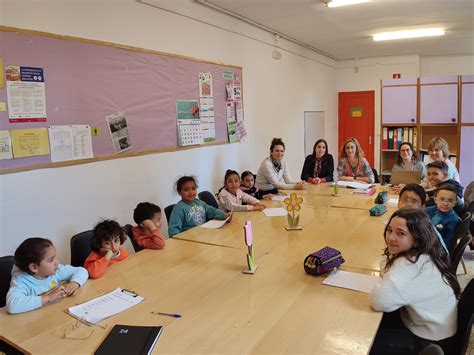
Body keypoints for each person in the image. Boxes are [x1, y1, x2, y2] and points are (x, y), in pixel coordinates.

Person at [369, 209, 460, 354]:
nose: (391, 238)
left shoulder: (410, 264)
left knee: (364, 341)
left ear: (417, 238)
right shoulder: (426, 252)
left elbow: (379, 301)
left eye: (401, 233)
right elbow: (386, 269)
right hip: (438, 328)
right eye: (389, 230)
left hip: (430, 341)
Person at [6, 238, 88, 314]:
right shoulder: (22, 281)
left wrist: (74, 283)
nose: (57, 262)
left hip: (54, 312)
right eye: (51, 260)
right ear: (34, 267)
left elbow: (81, 271)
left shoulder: (55, 270)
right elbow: (12, 305)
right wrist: (49, 298)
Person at [398, 184, 448, 254]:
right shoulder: (407, 222)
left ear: (422, 207)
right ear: (398, 203)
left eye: (414, 201)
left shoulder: (421, 229)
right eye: (404, 200)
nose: (408, 204)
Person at [426, 185, 461, 249]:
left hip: (435, 248)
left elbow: (447, 244)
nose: (445, 203)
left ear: (454, 204)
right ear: (435, 200)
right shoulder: (428, 210)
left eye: (450, 201)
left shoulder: (454, 220)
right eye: (442, 199)